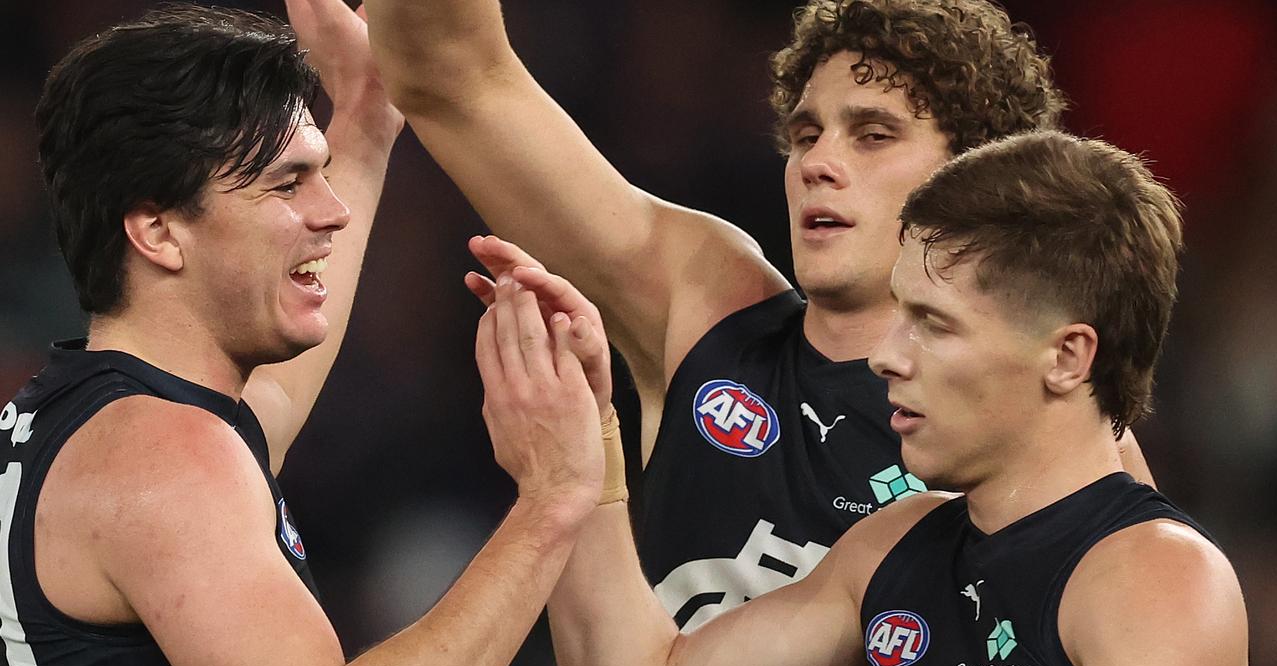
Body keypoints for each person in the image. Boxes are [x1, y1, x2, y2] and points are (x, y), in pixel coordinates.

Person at [362, 0, 1151, 630]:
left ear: (976, 179)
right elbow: (446, 69)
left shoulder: (1056, 430)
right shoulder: (708, 300)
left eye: (873, 135)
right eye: (806, 133)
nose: (818, 162)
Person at [0, 1, 604, 666]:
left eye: (320, 173)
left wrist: (367, 117)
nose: (332, 211)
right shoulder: (166, 457)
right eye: (287, 184)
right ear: (159, 232)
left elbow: (271, 407)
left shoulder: (93, 418)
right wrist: (551, 503)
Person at [527, 130, 1249, 666]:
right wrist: (579, 464)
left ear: (1066, 356)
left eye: (933, 324)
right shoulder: (892, 544)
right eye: (899, 312)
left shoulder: (1162, 584)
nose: (885, 356)